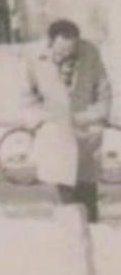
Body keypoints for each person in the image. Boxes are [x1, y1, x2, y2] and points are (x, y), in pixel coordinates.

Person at [23, 18, 113, 223]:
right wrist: (39, 122)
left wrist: (96, 118)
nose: (67, 56)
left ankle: (94, 241)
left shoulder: (90, 52)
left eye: (72, 50)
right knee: (65, 194)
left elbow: (104, 91)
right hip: (55, 132)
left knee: (88, 193)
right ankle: (72, 244)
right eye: (61, 52)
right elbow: (27, 96)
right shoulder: (34, 57)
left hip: (85, 130)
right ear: (51, 42)